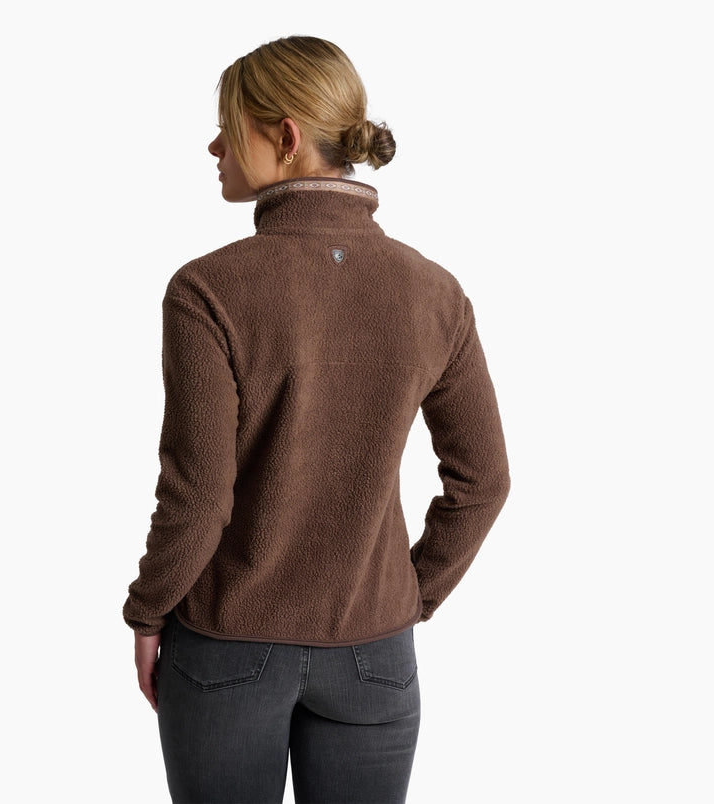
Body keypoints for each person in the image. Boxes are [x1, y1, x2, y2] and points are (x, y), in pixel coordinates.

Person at [123, 35, 510, 804]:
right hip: (375, 656)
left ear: (286, 136)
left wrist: (147, 609)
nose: (214, 146)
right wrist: (406, 597)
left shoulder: (208, 289)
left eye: (228, 127)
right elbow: (485, 481)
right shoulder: (434, 292)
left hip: (228, 646)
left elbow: (199, 495)